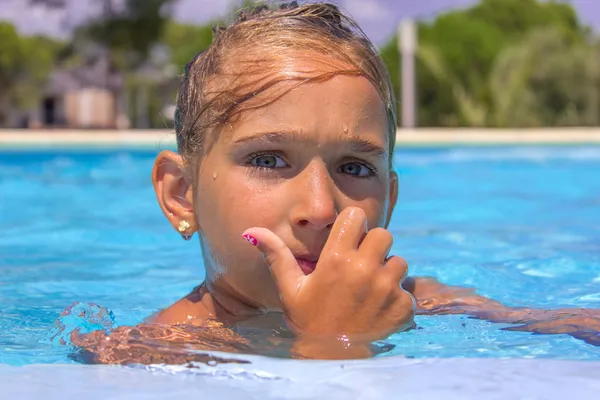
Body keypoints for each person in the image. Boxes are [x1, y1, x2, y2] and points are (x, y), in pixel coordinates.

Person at [71, 2, 600, 364]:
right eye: (270, 160)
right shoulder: (144, 358)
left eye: (354, 167)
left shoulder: (416, 300)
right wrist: (331, 346)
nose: (321, 208)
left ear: (388, 202)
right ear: (181, 195)